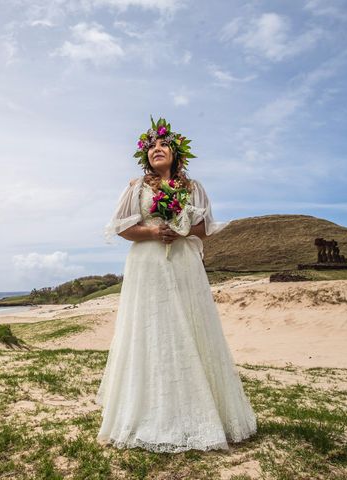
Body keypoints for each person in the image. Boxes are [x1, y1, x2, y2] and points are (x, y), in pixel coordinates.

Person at [95, 116, 257, 453]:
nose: (157, 149)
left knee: (190, 328)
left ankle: (205, 412)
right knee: (152, 330)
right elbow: (122, 228)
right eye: (152, 146)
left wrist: (182, 228)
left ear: (176, 153)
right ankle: (147, 412)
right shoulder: (135, 187)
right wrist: (154, 231)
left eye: (163, 144)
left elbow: (204, 227)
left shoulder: (194, 187)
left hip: (183, 265)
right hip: (147, 266)